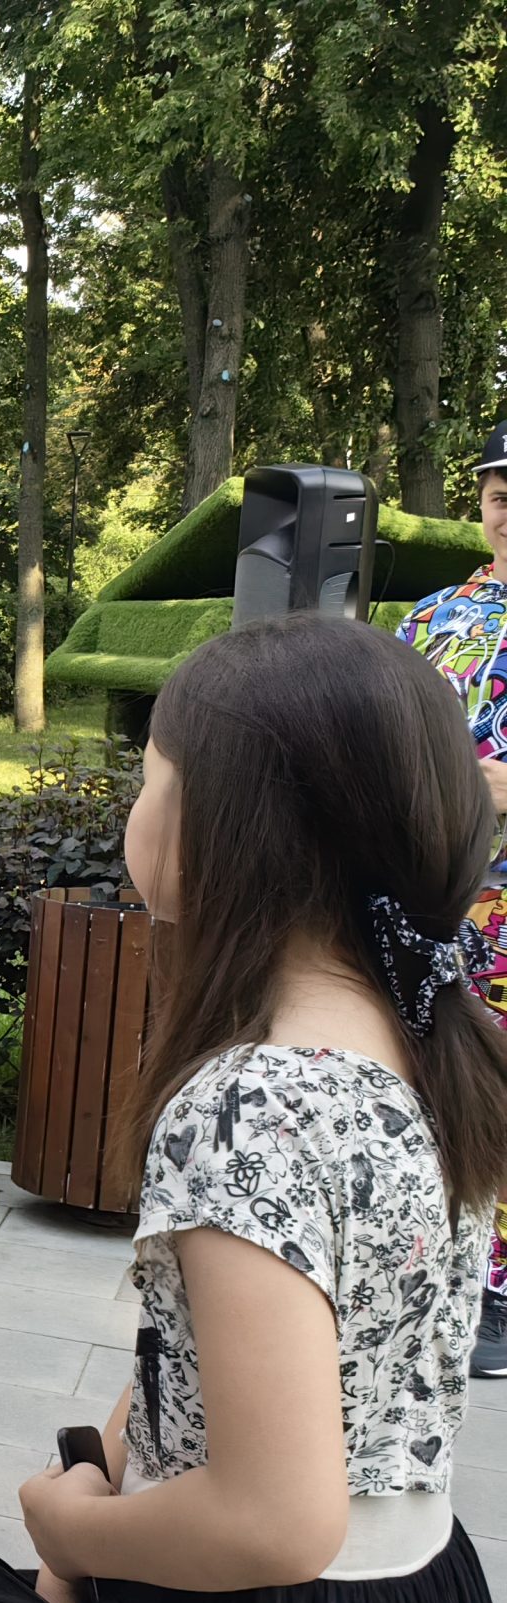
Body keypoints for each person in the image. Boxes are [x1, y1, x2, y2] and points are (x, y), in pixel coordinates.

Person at [14, 614, 506, 1603]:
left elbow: (275, 1518)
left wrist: (73, 1526)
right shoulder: (432, 1045)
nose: (135, 807)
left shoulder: (252, 1104)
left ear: (228, 829)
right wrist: (115, 1451)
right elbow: (267, 1364)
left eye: (152, 778)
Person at [397, 420, 507, 1374]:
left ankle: (499, 1293)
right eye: (502, 495)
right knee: (434, 1074)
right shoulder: (432, 620)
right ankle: (433, 1268)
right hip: (435, 896)